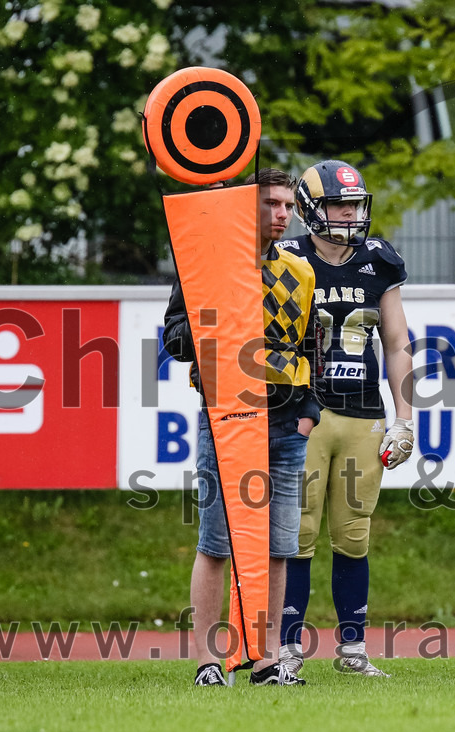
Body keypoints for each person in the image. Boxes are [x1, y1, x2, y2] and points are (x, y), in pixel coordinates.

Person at [163, 168, 320, 686]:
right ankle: (209, 663)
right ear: (245, 206)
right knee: (216, 543)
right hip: (226, 418)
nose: (282, 215)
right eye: (270, 203)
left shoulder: (300, 270)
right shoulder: (204, 262)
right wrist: (220, 318)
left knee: (279, 546)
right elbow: (174, 339)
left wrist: (310, 411)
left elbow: (312, 346)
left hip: (287, 424)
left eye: (288, 206)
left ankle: (268, 660)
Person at [275, 160, 414, 678]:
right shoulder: (286, 259)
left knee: (354, 533)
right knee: (297, 533)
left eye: (355, 204)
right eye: (339, 205)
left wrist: (404, 417)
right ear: (311, 210)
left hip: (363, 413)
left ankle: (353, 649)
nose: (350, 214)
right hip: (304, 412)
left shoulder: (379, 260)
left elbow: (397, 342)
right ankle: (285, 647)